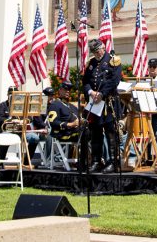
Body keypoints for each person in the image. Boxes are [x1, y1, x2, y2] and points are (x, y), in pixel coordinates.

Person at [82, 39, 123, 173]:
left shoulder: (113, 60)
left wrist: (102, 94)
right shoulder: (91, 63)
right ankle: (96, 160)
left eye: (97, 50)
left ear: (103, 47)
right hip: (95, 103)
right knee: (95, 132)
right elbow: (86, 81)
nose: (96, 54)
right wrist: (90, 92)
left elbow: (114, 80)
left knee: (111, 132)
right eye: (94, 52)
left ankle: (113, 162)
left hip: (108, 103)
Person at [43, 81, 81, 169]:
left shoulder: (73, 106)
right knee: (85, 134)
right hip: (63, 133)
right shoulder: (55, 105)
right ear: (60, 91)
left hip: (74, 132)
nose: (68, 92)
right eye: (65, 90)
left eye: (69, 90)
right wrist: (70, 124)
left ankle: (85, 161)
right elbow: (53, 122)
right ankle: (82, 161)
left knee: (91, 133)